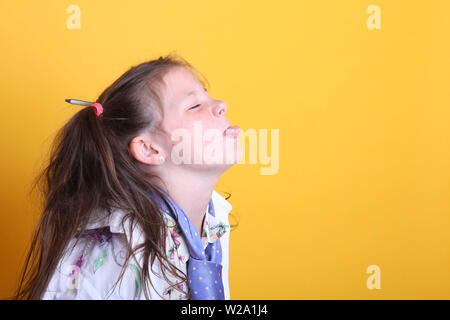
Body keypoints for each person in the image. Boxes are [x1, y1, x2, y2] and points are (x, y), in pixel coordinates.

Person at [13, 53, 241, 300]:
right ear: (149, 149)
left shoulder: (215, 219)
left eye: (207, 95)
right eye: (194, 105)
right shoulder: (114, 256)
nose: (221, 105)